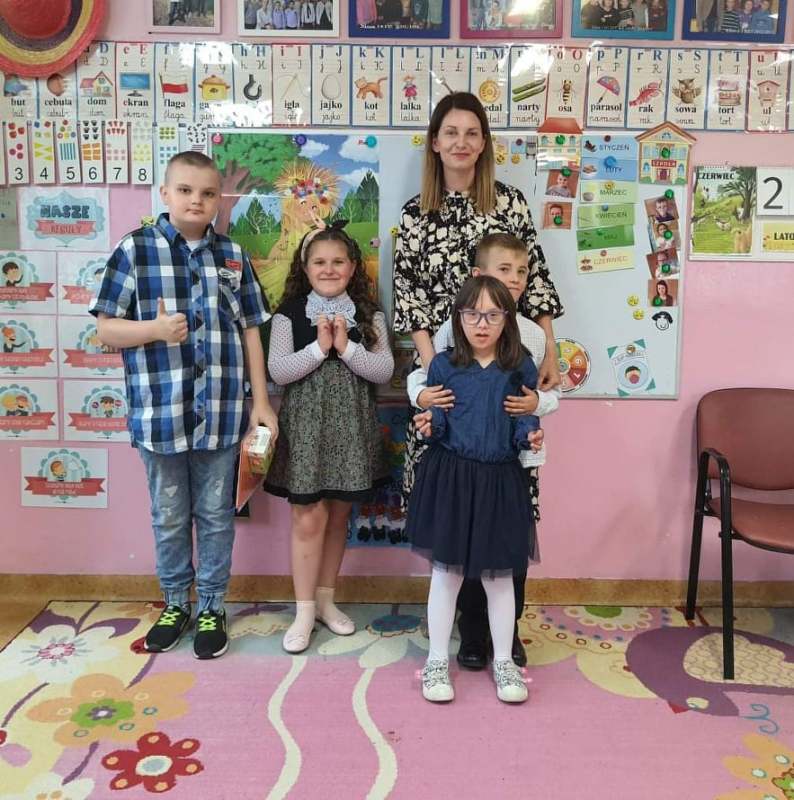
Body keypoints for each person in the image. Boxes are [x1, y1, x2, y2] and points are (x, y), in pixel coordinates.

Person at [90, 151, 277, 660]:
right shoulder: (135, 250)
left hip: (221, 415)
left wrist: (261, 403)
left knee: (216, 515)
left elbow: (252, 331)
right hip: (160, 416)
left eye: (208, 193)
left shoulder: (232, 256)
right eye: (186, 191)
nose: (197, 201)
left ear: (219, 199)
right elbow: (105, 328)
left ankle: (212, 606)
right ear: (166, 194)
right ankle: (176, 603)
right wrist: (153, 329)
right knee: (169, 516)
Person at [392, 90, 562, 514]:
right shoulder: (415, 214)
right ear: (435, 142)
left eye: (471, 133)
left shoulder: (510, 204)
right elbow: (409, 297)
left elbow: (536, 279)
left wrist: (550, 349)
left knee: (502, 493)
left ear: (484, 143)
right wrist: (436, 370)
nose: (461, 142)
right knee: (444, 495)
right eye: (451, 133)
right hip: (443, 365)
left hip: (503, 367)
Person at [406, 233, 559, 670]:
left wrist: (532, 420)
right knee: (451, 567)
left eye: (521, 271)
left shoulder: (527, 351)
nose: (483, 323)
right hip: (455, 475)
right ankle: (458, 645)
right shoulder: (446, 355)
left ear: (506, 318)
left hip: (503, 474)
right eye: (474, 314)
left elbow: (532, 406)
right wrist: (426, 412)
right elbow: (434, 399)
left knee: (503, 567)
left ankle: (506, 652)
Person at [264, 223, 394, 654]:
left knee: (339, 517)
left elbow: (384, 370)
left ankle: (325, 600)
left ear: (353, 267)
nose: (329, 269)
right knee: (308, 518)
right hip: (306, 429)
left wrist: (347, 347)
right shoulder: (288, 315)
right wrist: (319, 349)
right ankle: (303, 610)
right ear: (305, 267)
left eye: (339, 261)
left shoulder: (369, 314)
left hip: (352, 428)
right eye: (319, 262)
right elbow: (278, 372)